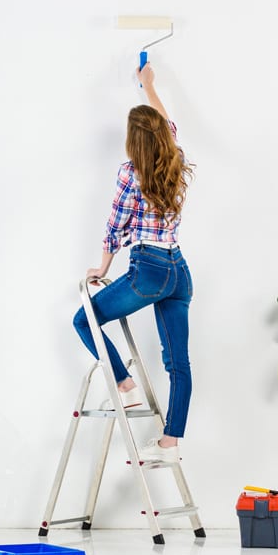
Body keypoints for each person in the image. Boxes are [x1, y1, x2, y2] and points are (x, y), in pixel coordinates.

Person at [72, 63, 194, 462]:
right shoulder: (173, 155)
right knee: (179, 363)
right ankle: (170, 442)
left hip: (150, 270)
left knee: (81, 320)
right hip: (179, 271)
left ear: (131, 141)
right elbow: (166, 122)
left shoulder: (131, 172)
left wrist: (102, 267)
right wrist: (149, 86)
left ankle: (124, 385)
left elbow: (114, 224)